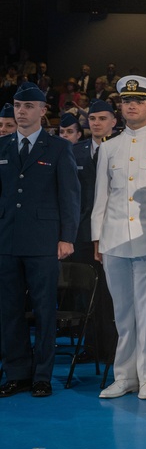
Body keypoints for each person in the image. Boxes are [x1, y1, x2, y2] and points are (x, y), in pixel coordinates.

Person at [92, 76, 146, 400]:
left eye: (139, 101)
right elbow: (102, 196)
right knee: (123, 314)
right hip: (115, 240)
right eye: (127, 101)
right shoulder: (109, 147)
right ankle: (124, 376)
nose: (131, 105)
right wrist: (97, 237)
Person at [0, 82, 81, 398]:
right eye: (18, 106)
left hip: (45, 242)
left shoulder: (59, 148)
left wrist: (67, 237)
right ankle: (18, 372)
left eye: (28, 106)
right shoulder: (3, 146)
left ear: (43, 111)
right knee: (9, 311)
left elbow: (70, 197)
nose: (21, 112)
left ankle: (42, 375)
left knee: (45, 311)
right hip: (6, 241)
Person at [69, 100, 118, 364]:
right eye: (92, 119)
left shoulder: (122, 150)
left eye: (102, 118)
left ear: (114, 122)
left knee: (111, 295)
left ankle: (113, 348)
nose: (96, 123)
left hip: (113, 231)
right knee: (84, 292)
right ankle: (90, 346)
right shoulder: (74, 151)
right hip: (81, 232)